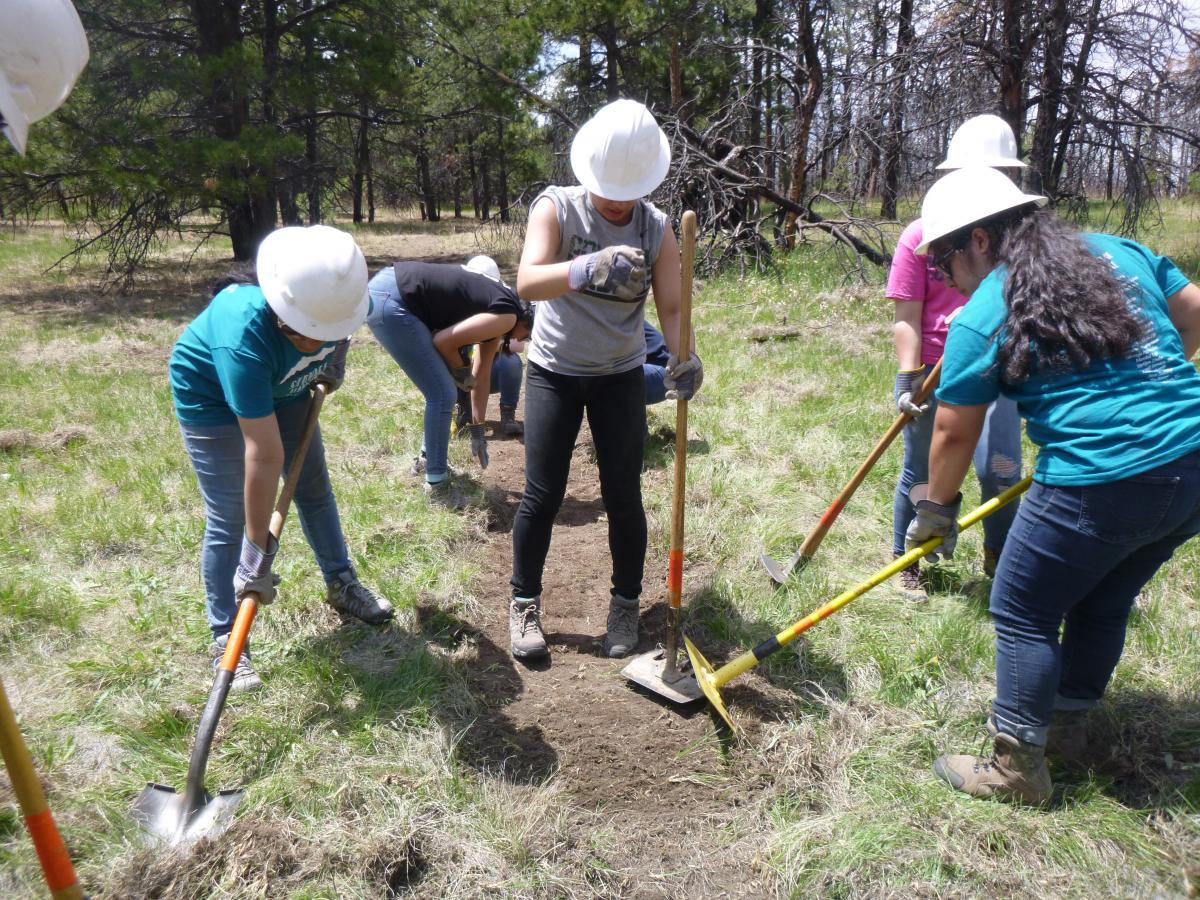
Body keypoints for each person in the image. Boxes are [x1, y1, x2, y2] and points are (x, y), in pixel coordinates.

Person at [905, 165, 1200, 803]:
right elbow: (1194, 312)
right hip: (1192, 464)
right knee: (1104, 597)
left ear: (980, 239)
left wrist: (935, 511)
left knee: (1021, 606)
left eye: (943, 260)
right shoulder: (1118, 252)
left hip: (1103, 479)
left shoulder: (987, 310)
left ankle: (1016, 767)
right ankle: (1067, 727)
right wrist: (1152, 394)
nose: (944, 277)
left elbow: (953, 431)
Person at [508, 98, 703, 661]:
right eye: (607, 189)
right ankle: (524, 602)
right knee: (543, 493)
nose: (617, 201)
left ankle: (625, 603)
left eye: (628, 191)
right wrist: (585, 267)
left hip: (619, 374)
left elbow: (672, 306)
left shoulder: (655, 227)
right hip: (554, 371)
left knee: (623, 493)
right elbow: (527, 281)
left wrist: (685, 356)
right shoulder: (557, 208)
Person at [169, 225, 395, 692]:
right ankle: (227, 637)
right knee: (229, 516)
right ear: (280, 308)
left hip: (286, 386)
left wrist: (332, 361)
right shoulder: (242, 334)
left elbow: (342, 332)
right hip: (209, 397)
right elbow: (265, 454)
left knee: (313, 489)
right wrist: (256, 557)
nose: (315, 341)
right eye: (304, 332)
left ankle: (342, 584)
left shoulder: (343, 300)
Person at [888, 115, 1026, 601]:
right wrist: (909, 375)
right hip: (933, 367)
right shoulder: (921, 236)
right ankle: (906, 563)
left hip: (1000, 364)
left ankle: (1000, 561)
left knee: (1001, 468)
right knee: (923, 469)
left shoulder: (1018, 238)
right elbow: (907, 315)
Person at [366, 254, 533, 507]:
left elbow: (482, 376)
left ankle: (427, 461)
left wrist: (478, 429)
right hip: (393, 299)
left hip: (388, 289)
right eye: (527, 335)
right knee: (443, 394)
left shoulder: (503, 308)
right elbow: (443, 342)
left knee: (441, 389)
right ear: (526, 320)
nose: (521, 340)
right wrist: (461, 369)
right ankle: (437, 488)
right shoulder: (507, 317)